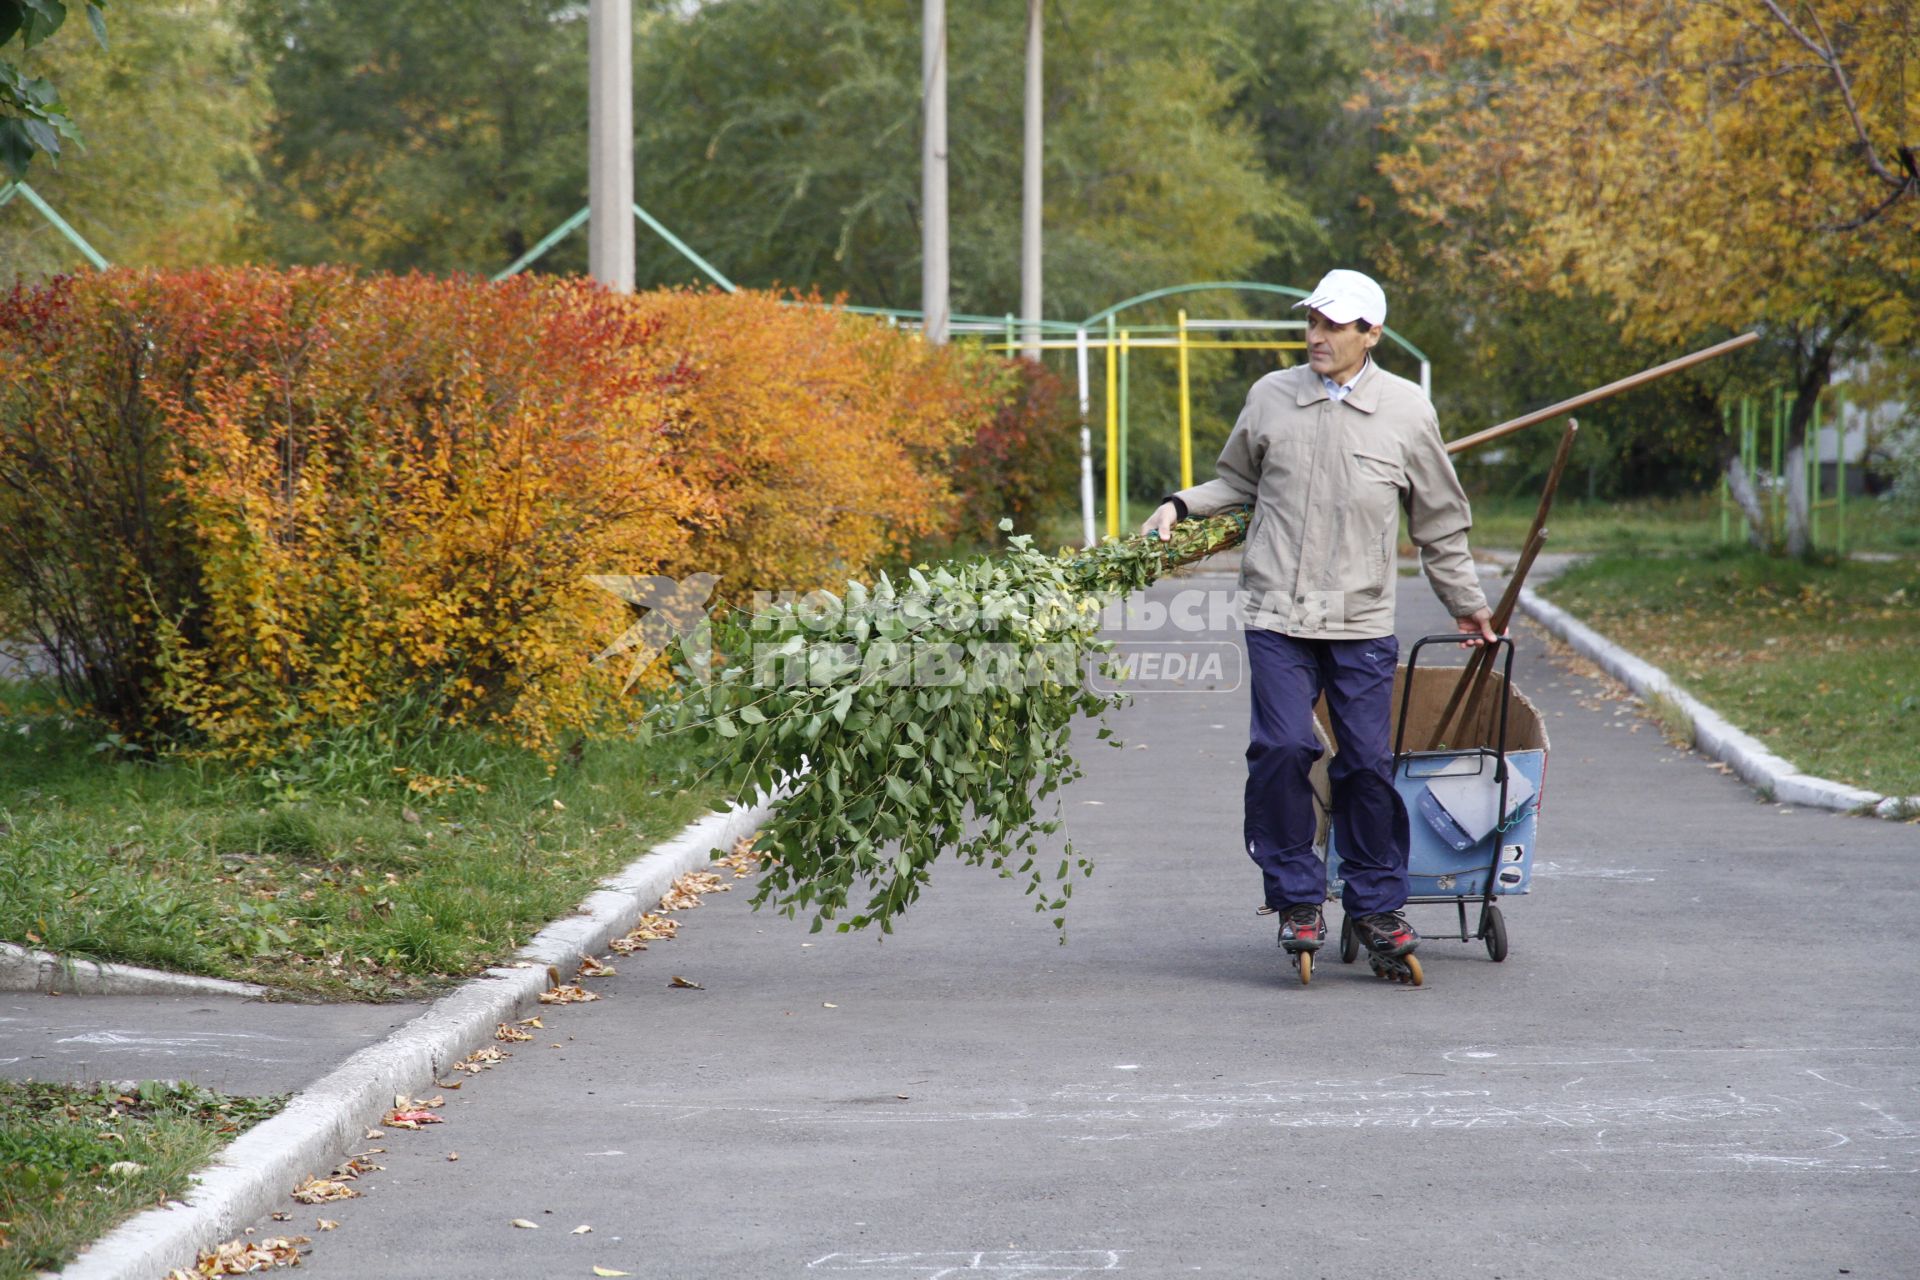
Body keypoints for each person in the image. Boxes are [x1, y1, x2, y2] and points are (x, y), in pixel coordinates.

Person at [1140, 269, 1496, 977]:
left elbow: (1440, 524)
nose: (1317, 335)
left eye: (1334, 325)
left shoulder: (1407, 411)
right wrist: (1180, 505)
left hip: (1359, 618)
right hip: (1277, 610)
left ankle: (1376, 907)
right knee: (1278, 749)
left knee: (1366, 763)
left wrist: (1467, 601)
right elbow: (1237, 482)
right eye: (1313, 322)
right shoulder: (1271, 398)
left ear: (1372, 334)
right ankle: (1297, 898)